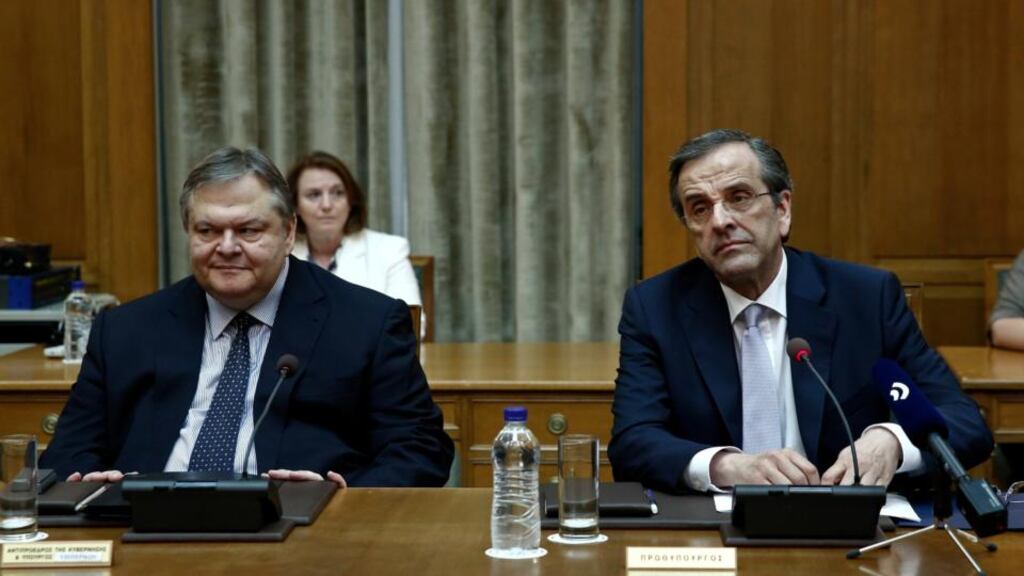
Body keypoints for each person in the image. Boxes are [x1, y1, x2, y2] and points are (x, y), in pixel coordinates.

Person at [41, 147, 453, 488]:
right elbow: (67, 453)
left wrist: (345, 501)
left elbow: (420, 449)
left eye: (249, 231)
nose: (227, 247)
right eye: (207, 231)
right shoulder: (125, 331)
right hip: (146, 530)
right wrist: (92, 485)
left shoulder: (369, 324)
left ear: (289, 232)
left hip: (307, 538)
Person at [609, 129, 992, 493]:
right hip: (713, 534)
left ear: (782, 209)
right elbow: (633, 442)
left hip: (847, 529)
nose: (721, 221)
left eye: (739, 197)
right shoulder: (656, 307)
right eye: (699, 208)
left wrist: (892, 441)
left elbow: (965, 422)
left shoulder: (865, 298)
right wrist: (726, 466)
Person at [287, 151, 422, 310]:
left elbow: (412, 323)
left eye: (338, 193)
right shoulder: (281, 255)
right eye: (314, 194)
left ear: (351, 201)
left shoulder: (389, 250)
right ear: (295, 206)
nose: (327, 205)